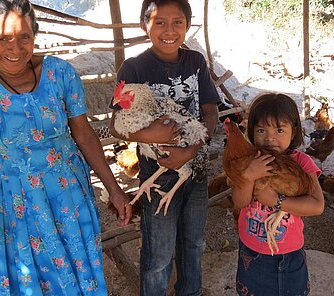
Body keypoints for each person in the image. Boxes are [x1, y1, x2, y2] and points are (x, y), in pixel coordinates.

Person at [0, 0, 132, 294]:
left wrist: (114, 188)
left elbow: (83, 133)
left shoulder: (60, 73)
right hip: (9, 201)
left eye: (24, 37)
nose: (15, 48)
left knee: (74, 272)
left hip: (66, 195)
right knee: (24, 278)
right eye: (2, 39)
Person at [109, 0, 220, 294]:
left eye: (178, 22)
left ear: (187, 25)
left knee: (193, 245)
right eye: (159, 22)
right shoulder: (133, 67)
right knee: (158, 254)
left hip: (195, 169)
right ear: (144, 25)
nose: (169, 30)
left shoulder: (195, 62)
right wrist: (157, 135)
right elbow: (116, 123)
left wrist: (190, 149)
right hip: (155, 177)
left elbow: (210, 112)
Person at [231, 93, 325, 296]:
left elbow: (317, 205)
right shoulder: (250, 161)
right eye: (261, 130)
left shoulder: (302, 161)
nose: (270, 137)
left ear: (294, 132)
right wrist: (248, 176)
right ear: (252, 132)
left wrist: (276, 201)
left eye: (280, 130)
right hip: (251, 251)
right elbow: (239, 202)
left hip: (288, 254)